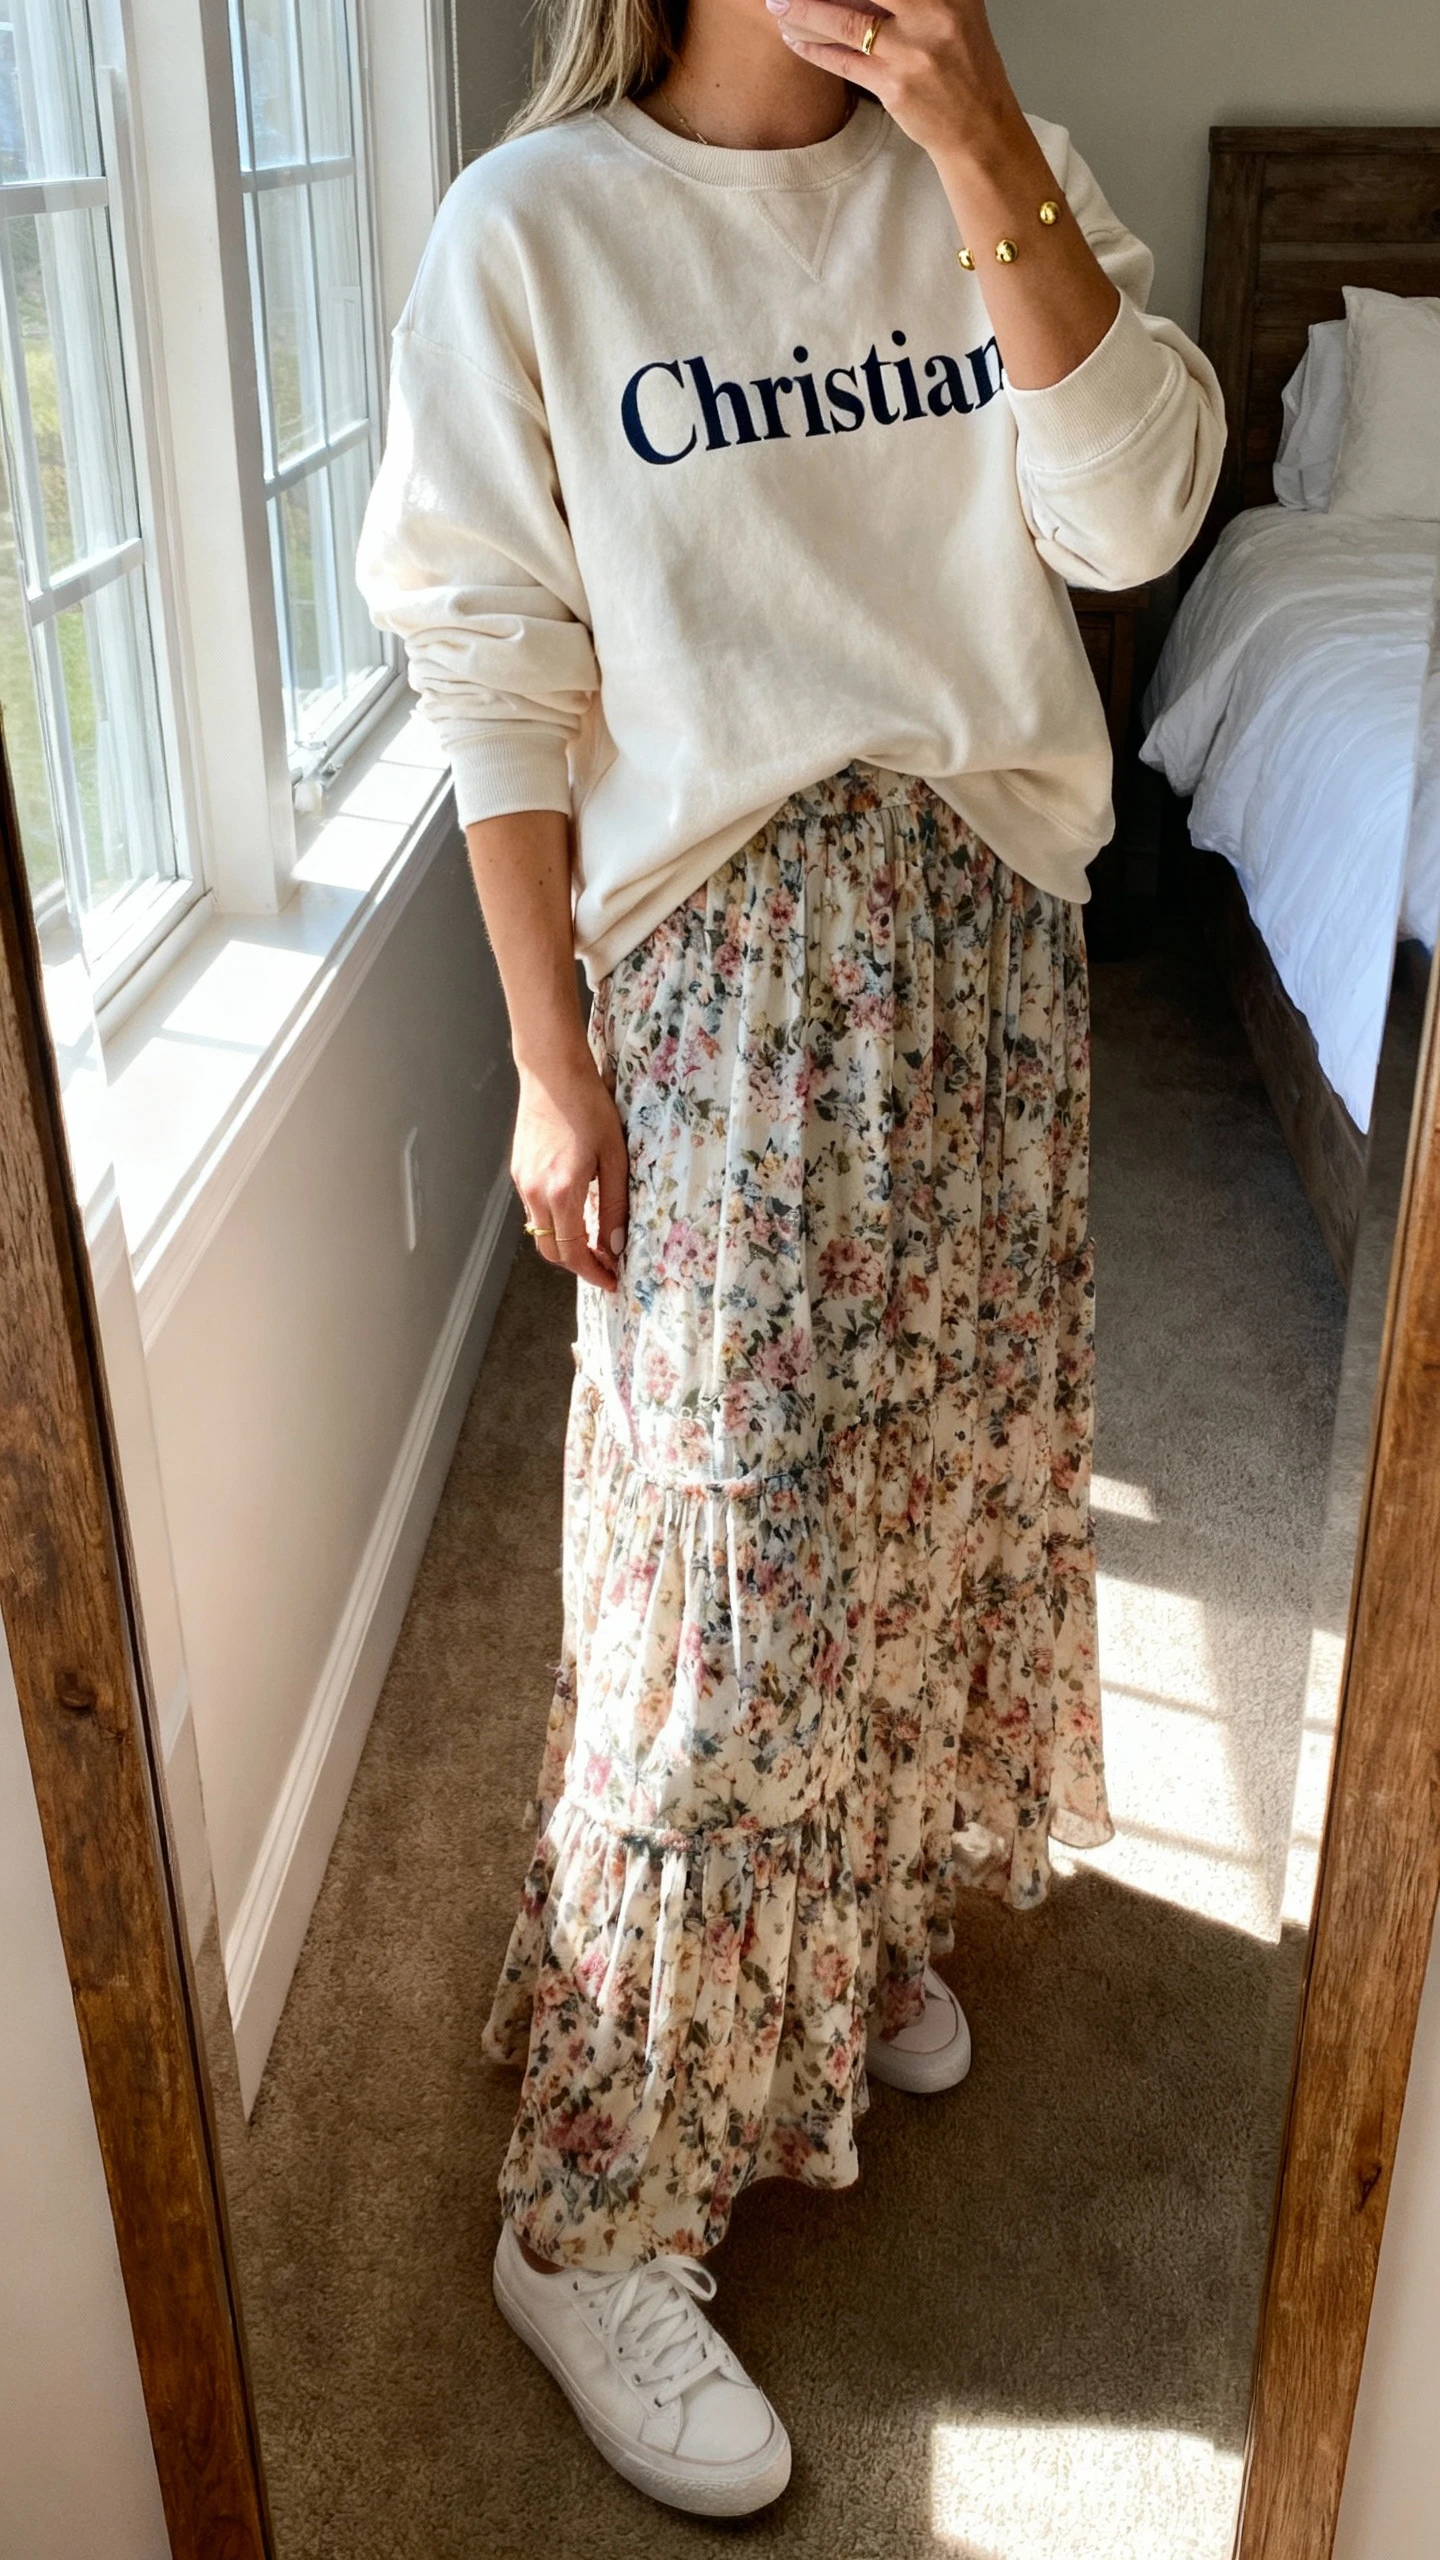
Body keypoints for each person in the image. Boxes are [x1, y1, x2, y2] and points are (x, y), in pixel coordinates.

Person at [357, 0, 1223, 2513]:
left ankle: (840, 1941)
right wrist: (547, 1058)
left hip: (981, 943)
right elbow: (493, 671)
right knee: (721, 1567)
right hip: (731, 973)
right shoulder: (539, 234)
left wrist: (973, 146)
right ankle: (594, 2204)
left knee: (939, 1488)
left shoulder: (1001, 166)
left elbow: (1139, 517)